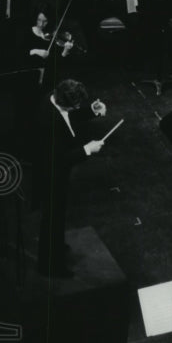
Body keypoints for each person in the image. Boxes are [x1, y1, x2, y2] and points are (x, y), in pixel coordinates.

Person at [32, 79, 108, 278]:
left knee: (57, 214)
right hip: (50, 172)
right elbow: (60, 159)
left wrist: (92, 111)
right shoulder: (48, 121)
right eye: (76, 105)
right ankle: (50, 267)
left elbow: (69, 117)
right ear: (65, 102)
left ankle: (56, 246)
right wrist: (87, 149)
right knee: (52, 217)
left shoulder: (54, 98)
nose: (77, 108)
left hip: (54, 168)